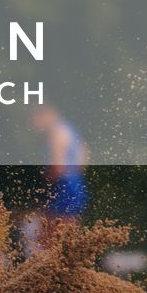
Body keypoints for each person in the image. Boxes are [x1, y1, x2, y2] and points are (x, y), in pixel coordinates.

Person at [28, 105, 88, 248]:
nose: (34, 124)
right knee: (66, 238)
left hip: (63, 187)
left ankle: (53, 269)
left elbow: (57, 166)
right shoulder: (70, 130)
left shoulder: (55, 132)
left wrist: (44, 185)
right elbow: (83, 158)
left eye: (35, 118)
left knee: (49, 240)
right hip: (76, 184)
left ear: (46, 114)